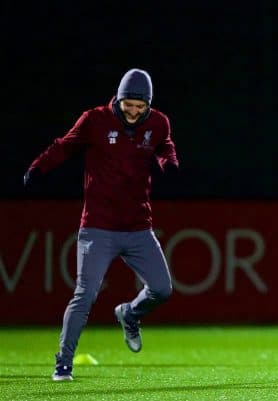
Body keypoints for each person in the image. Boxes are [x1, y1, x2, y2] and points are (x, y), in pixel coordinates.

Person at [23, 68, 179, 381]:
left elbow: (165, 145)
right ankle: (63, 363)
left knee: (162, 289)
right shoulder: (94, 120)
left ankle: (130, 314)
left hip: (138, 226)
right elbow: (64, 145)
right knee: (85, 294)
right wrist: (39, 167)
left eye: (140, 107)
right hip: (98, 226)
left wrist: (168, 160)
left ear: (148, 105)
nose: (134, 112)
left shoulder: (158, 122)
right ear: (117, 99)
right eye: (128, 105)